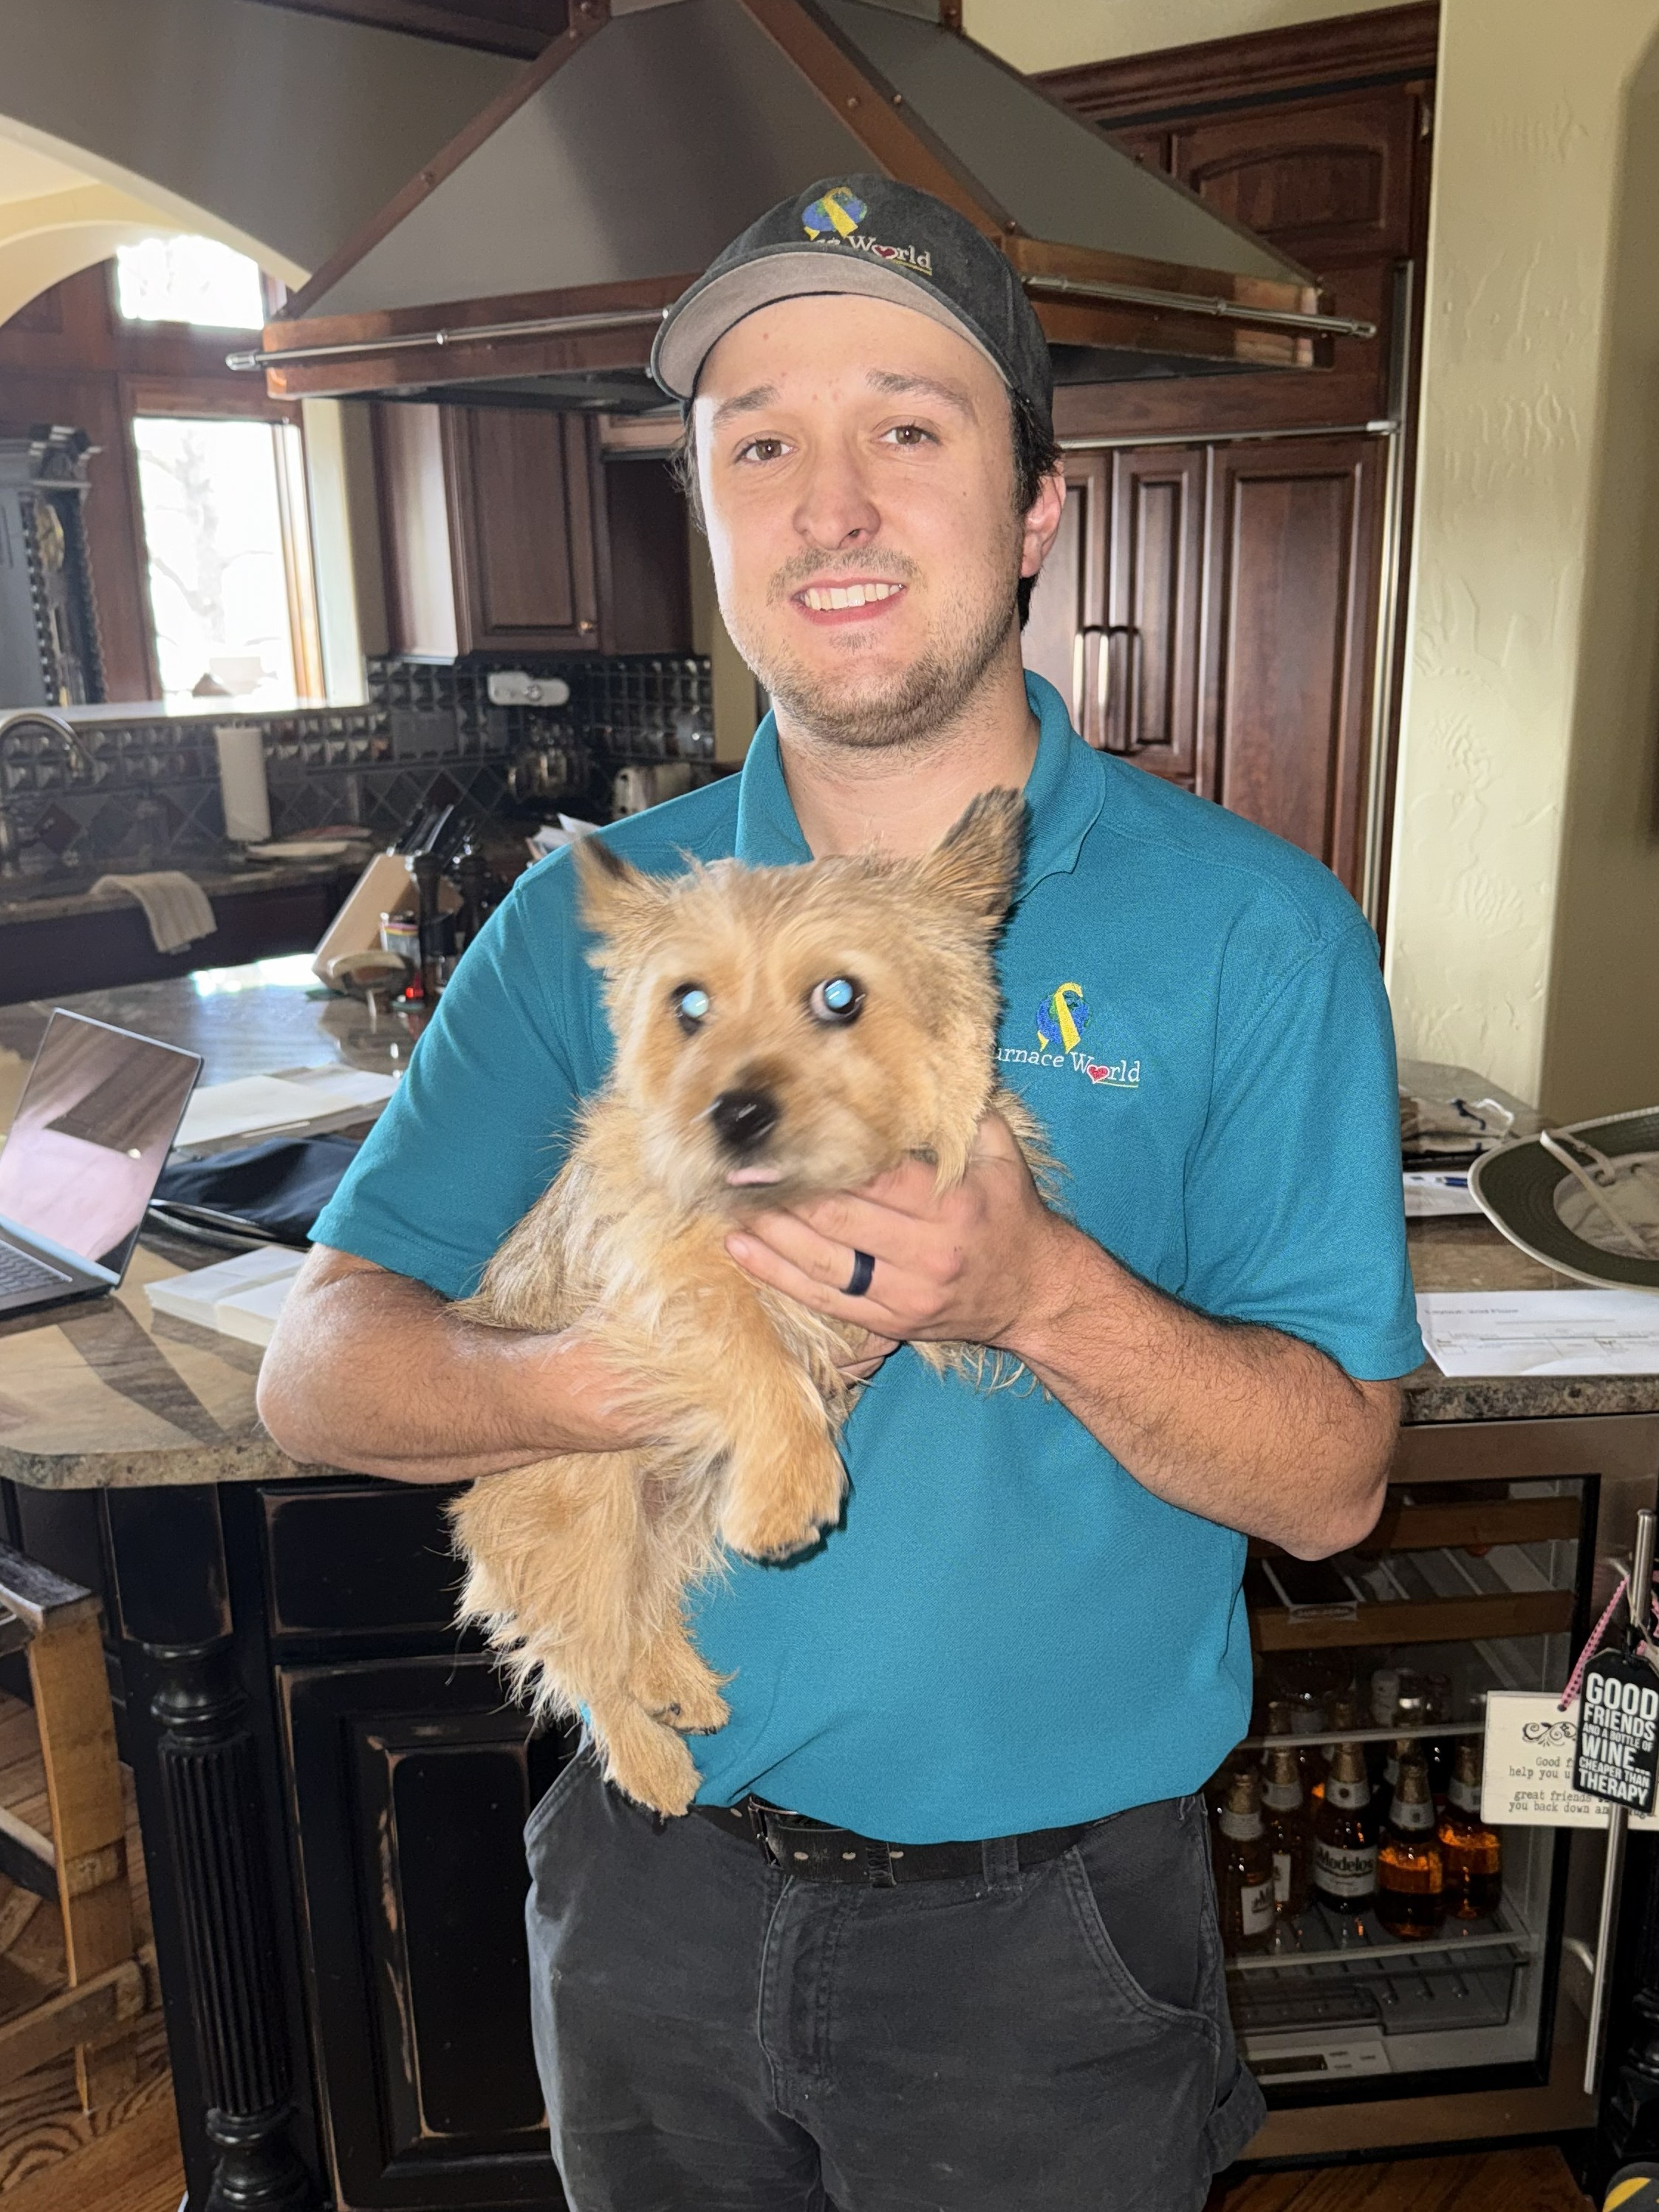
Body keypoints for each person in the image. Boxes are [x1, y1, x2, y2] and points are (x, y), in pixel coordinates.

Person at [258, 177, 1423, 2211]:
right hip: (648, 1883)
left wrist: (1033, 1289)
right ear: (708, 520)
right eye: (761, 446)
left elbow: (1331, 1487)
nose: (833, 506)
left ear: (1035, 508)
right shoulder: (598, 922)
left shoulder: (1259, 931)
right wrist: (621, 1378)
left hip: (1045, 1947)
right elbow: (318, 1374)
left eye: (907, 425)